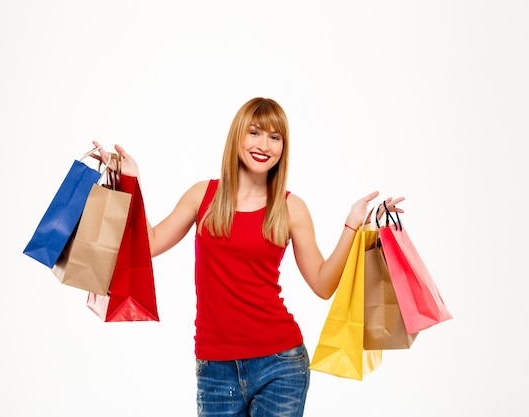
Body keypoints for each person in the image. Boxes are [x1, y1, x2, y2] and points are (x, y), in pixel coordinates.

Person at [93, 97, 404, 417]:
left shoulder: (290, 208)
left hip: (280, 365)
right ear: (237, 136)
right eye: (255, 132)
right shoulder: (203, 195)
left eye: (275, 136)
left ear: (283, 147)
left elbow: (323, 285)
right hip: (215, 369)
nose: (264, 145)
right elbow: (149, 242)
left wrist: (352, 224)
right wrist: (129, 181)